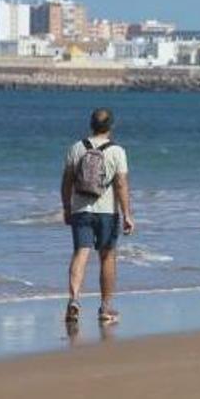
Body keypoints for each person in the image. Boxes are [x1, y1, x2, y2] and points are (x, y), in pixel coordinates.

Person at [60, 108, 134, 323]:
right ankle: (105, 308)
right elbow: (120, 184)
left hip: (81, 209)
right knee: (107, 256)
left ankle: (74, 300)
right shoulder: (117, 151)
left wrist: (66, 207)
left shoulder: (76, 148)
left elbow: (66, 182)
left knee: (80, 253)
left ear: (90, 124)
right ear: (111, 126)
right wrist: (127, 214)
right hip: (107, 213)